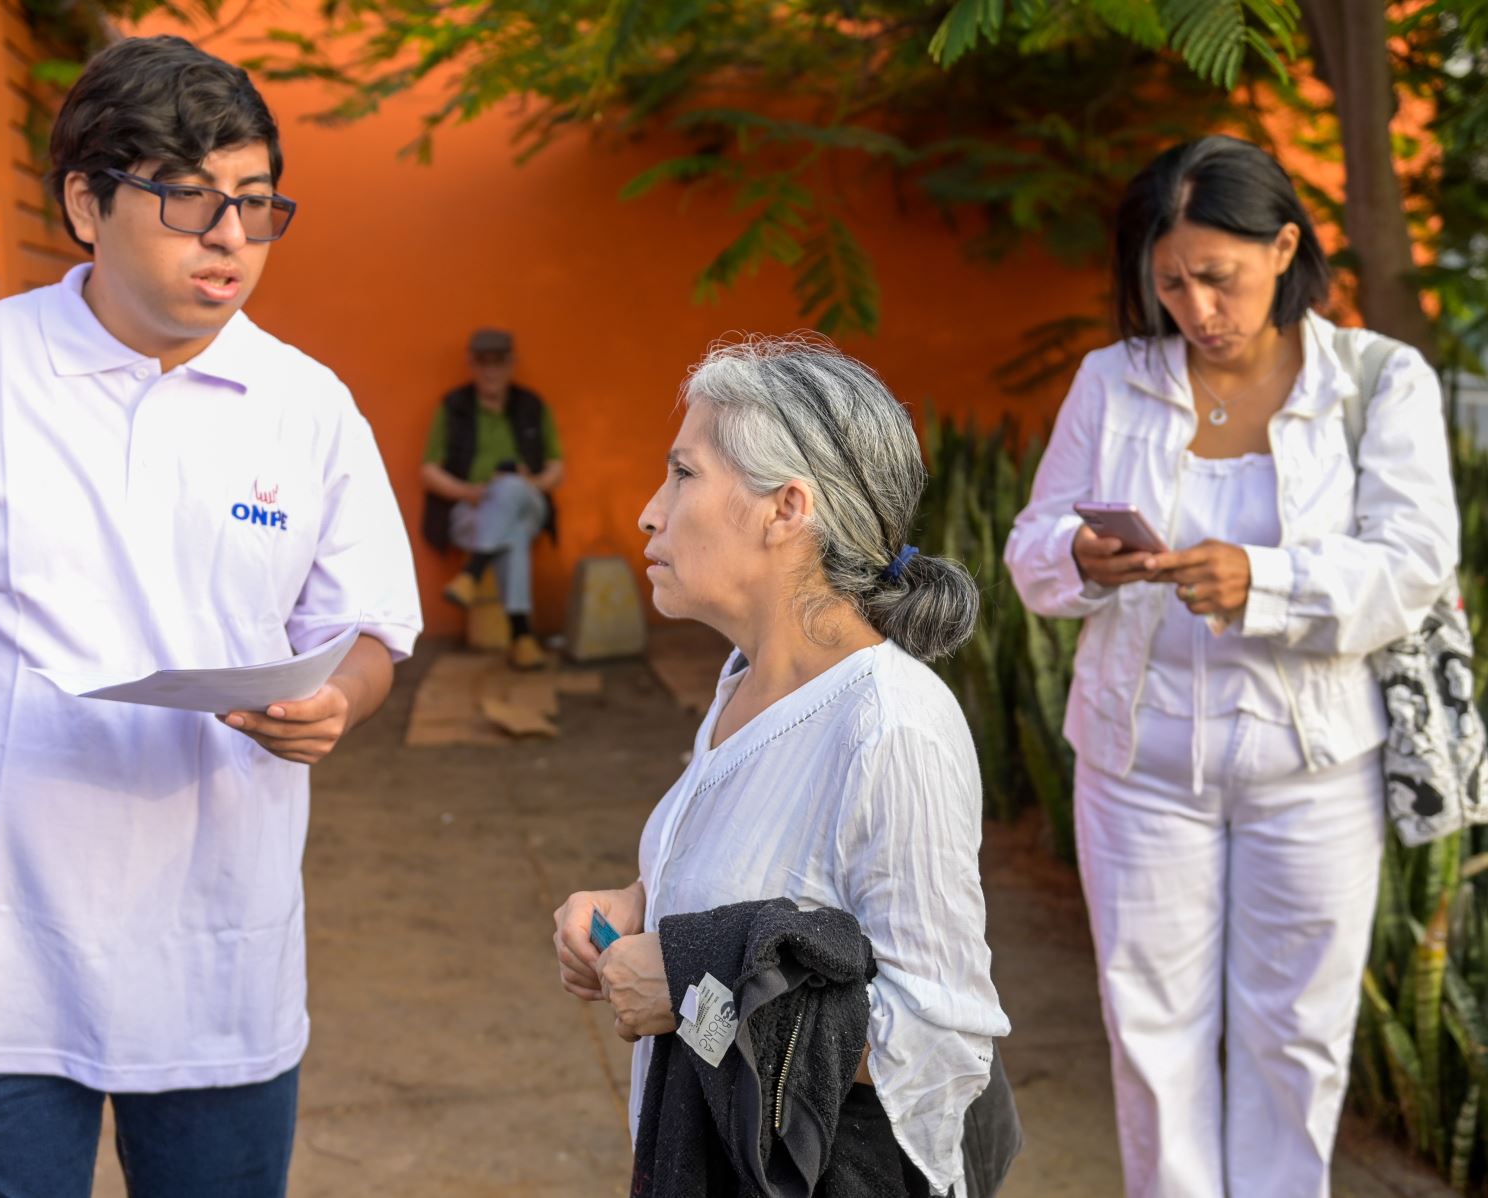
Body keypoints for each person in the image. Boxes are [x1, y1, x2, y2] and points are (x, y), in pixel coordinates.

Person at [0, 35, 421, 1197]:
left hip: (216, 947)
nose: (228, 239)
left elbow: (369, 626)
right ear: (85, 200)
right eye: (187, 201)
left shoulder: (306, 408)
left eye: (256, 206)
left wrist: (334, 703)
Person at [1005, 135, 1460, 1196]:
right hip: (1137, 762)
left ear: (1284, 246)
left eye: (1221, 275)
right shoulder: (1111, 381)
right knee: (1150, 1035)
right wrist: (1081, 553)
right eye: (1169, 283)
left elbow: (1415, 567)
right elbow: (1030, 547)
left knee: (1297, 1040)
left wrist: (1265, 579)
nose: (1197, 307)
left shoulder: (1378, 382)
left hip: (1315, 770)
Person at [552, 336, 1010, 1196]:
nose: (651, 512)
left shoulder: (891, 725)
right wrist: (639, 906)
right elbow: (779, 900)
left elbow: (943, 1046)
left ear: (786, 509)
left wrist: (691, 991)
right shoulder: (742, 686)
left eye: (683, 475)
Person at [420, 327, 564, 669]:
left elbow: (557, 470)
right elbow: (428, 470)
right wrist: (471, 491)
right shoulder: (453, 407)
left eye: (498, 362)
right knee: (510, 536)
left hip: (529, 504)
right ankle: (522, 637)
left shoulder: (532, 405)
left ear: (511, 364)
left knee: (511, 487)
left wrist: (530, 483)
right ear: (472, 364)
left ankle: (473, 569)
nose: (490, 371)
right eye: (483, 362)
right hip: (472, 509)